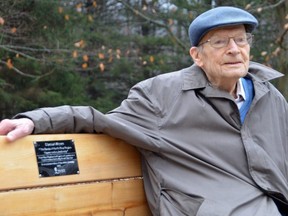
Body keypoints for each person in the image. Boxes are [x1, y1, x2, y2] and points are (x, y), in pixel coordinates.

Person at [0, 6, 287, 216]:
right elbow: (98, 119)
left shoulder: (268, 94)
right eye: (220, 42)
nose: (234, 49)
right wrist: (35, 121)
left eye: (240, 40)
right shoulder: (162, 96)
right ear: (196, 56)